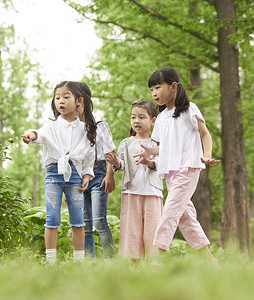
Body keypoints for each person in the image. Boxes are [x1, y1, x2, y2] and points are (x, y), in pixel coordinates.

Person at [134, 67, 219, 262]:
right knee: (185, 216)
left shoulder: (189, 109)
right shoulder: (162, 118)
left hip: (188, 168)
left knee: (170, 211)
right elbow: (164, 148)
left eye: (157, 87)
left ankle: (159, 254)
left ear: (173, 87)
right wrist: (149, 153)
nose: (154, 93)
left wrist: (206, 155)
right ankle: (208, 258)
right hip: (170, 172)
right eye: (151, 89)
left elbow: (205, 134)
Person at [21, 81, 97, 263]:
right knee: (52, 216)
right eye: (57, 98)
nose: (60, 101)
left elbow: (89, 154)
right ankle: (51, 260)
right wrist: (31, 136)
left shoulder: (85, 128)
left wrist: (87, 175)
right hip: (54, 174)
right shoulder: (51, 125)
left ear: (78, 101)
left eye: (66, 97)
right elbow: (39, 134)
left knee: (78, 220)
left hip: (75, 174)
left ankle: (79, 260)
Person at [106, 100, 163, 260]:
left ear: (153, 120)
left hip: (153, 192)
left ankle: (155, 263)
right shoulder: (126, 143)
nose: (136, 121)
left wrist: (149, 162)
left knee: (154, 230)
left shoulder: (157, 144)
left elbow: (161, 163)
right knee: (131, 230)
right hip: (131, 192)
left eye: (142, 117)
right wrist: (115, 163)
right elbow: (122, 164)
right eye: (133, 117)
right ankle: (131, 263)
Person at [76, 82, 116, 258]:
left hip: (99, 174)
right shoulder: (71, 128)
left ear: (83, 100)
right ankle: (89, 263)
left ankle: (110, 260)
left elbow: (110, 153)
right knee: (85, 224)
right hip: (78, 177)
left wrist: (109, 175)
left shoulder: (100, 125)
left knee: (99, 221)